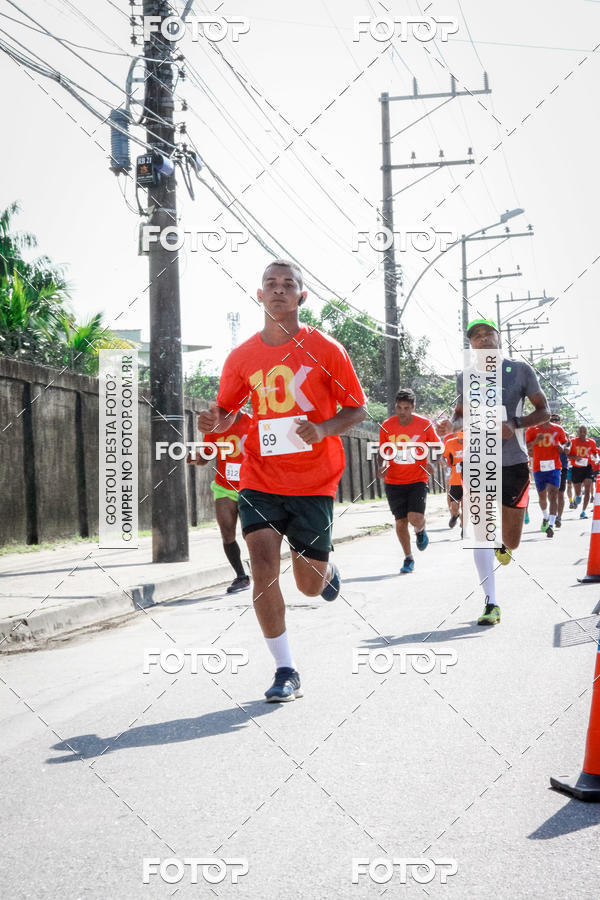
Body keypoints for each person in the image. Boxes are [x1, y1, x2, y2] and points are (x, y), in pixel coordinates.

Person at [198, 259, 367, 703]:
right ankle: (285, 669)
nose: (278, 290)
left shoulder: (327, 348)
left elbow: (358, 409)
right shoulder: (241, 357)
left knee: (308, 585)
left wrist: (325, 429)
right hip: (259, 477)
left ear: (301, 297)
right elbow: (227, 412)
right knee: (264, 571)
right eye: (270, 283)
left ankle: (327, 573)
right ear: (259, 294)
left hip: (314, 481)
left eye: (287, 284)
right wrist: (214, 420)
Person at [453, 318, 550, 626]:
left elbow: (544, 410)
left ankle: (502, 544)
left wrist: (515, 424)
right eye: (476, 337)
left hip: (514, 461)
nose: (482, 340)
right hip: (478, 459)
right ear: (471, 345)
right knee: (480, 532)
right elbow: (458, 418)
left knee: (512, 539)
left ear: (498, 338)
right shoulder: (465, 377)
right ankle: (491, 602)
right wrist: (450, 426)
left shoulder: (520, 371)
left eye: (487, 334)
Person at [187, 409, 252, 593]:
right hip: (225, 486)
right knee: (226, 531)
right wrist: (196, 457)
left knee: (253, 535)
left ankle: (263, 571)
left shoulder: (253, 423)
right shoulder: (214, 425)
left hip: (252, 486)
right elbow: (207, 455)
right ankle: (241, 576)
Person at [378, 388, 441, 573]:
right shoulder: (387, 425)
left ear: (413, 407)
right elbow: (382, 451)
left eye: (406, 408)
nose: (402, 412)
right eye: (399, 407)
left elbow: (437, 446)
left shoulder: (425, 424)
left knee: (415, 518)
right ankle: (408, 558)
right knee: (400, 522)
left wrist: (432, 462)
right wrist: (381, 466)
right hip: (394, 480)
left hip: (417, 478)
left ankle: (420, 530)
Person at [525, 416, 568, 538]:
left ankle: (551, 525)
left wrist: (563, 448)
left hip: (555, 466)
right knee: (542, 497)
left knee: (553, 494)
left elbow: (566, 443)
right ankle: (545, 516)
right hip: (539, 468)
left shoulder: (558, 429)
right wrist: (535, 442)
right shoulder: (532, 429)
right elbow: (526, 447)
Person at [569, 425, 598, 518]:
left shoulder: (591, 442)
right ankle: (578, 495)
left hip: (587, 468)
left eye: (584, 431)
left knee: (588, 488)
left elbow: (594, 452)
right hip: (576, 468)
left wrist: (596, 457)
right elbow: (567, 455)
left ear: (587, 432)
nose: (582, 433)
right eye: (580, 431)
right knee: (577, 492)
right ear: (578, 432)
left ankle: (583, 511)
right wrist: (575, 457)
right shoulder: (573, 441)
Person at [550, 414, 570, 527]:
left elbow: (568, 447)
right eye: (552, 420)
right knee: (552, 493)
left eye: (556, 420)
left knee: (561, 493)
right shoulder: (545, 432)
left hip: (562, 466)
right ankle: (551, 515)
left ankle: (559, 517)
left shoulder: (565, 434)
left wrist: (567, 448)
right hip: (549, 466)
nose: (554, 421)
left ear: (560, 422)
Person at [443, 425, 464, 530]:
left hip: (469, 481)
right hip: (454, 480)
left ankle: (463, 527)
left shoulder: (474, 444)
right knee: (455, 507)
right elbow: (443, 457)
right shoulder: (450, 442)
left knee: (465, 506)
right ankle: (454, 515)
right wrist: (447, 467)